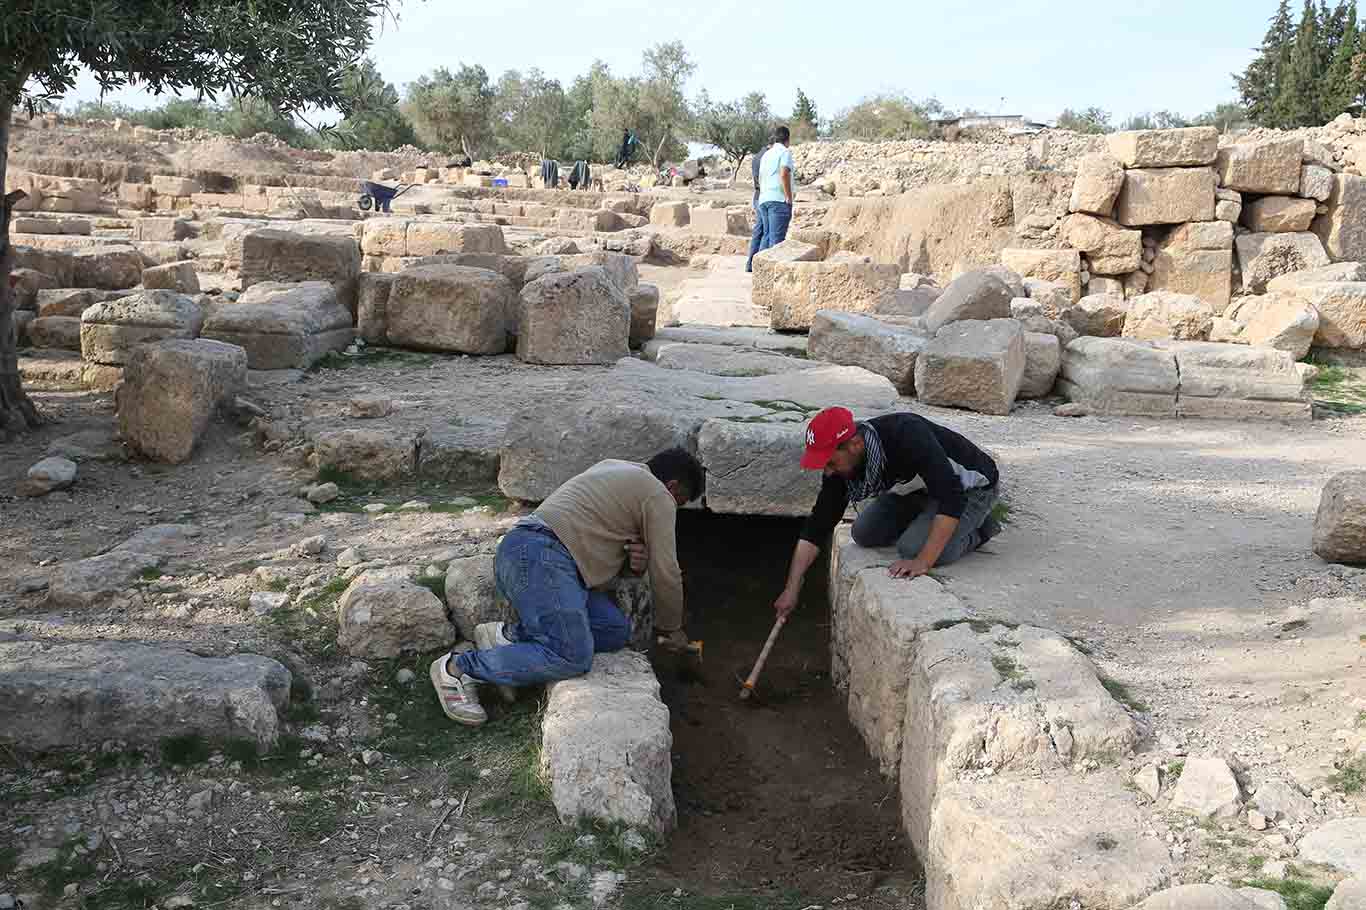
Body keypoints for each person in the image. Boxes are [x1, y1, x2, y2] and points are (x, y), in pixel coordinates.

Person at [431, 447, 704, 725]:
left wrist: (633, 565)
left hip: (534, 556)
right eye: (679, 502)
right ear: (672, 486)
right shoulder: (658, 494)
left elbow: (594, 544)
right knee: (572, 655)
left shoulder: (614, 466)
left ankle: (508, 637)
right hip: (541, 556)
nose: (674, 508)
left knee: (613, 630)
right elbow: (667, 571)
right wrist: (672, 627)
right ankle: (458, 669)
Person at [773, 407, 1002, 618]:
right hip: (918, 489)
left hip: (970, 489)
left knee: (911, 548)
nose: (827, 470)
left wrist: (923, 561)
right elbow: (818, 524)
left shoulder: (906, 434)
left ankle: (981, 530)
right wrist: (792, 587)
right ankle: (928, 519)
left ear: (855, 444)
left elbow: (952, 498)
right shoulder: (842, 469)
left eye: (830, 462)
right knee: (863, 532)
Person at [754, 125, 796, 259]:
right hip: (778, 200)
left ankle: (760, 273)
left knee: (766, 237)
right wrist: (789, 197)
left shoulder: (766, 154)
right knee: (777, 242)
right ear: (788, 139)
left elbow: (760, 177)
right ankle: (774, 276)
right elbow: (784, 174)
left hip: (764, 199)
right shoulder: (785, 152)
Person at [745, 140, 770, 273]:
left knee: (758, 231)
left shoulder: (756, 156)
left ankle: (750, 264)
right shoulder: (767, 156)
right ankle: (759, 265)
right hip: (765, 196)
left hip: (757, 196)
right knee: (767, 232)